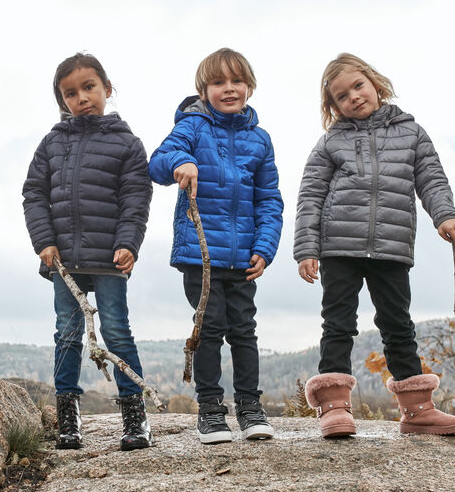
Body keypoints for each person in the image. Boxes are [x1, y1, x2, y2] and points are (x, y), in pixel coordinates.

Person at [294, 52, 455, 438]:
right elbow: (311, 197)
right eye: (342, 96)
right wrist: (306, 248)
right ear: (333, 105)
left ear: (375, 83)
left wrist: (445, 214)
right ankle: (334, 408)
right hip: (339, 246)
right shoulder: (330, 143)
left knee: (397, 324)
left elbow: (432, 179)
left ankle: (418, 411)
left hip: (392, 245)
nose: (353, 97)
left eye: (358, 86)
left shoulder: (412, 133)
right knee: (338, 323)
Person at [149, 48, 283, 444]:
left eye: (237, 81)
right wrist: (180, 161)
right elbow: (157, 162)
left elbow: (269, 199)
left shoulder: (260, 140)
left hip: (244, 257)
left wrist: (265, 246)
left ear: (249, 87)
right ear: (203, 90)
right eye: (218, 82)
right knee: (208, 329)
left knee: (244, 330)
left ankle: (250, 408)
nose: (229, 89)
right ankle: (210, 411)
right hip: (200, 253)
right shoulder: (192, 126)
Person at [22, 53, 153, 452]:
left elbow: (135, 199)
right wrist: (44, 242)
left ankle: (135, 417)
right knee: (66, 334)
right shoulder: (52, 144)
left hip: (110, 258)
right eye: (70, 93)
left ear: (107, 89)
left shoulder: (127, 144)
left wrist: (128, 244)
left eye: (89, 88)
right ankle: (68, 419)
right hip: (63, 260)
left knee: (116, 331)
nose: (81, 98)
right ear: (62, 101)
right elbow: (34, 194)